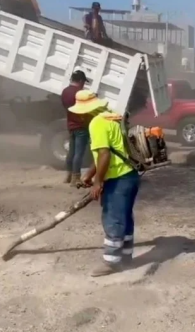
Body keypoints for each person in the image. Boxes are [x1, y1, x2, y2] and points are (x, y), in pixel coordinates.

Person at [68, 90, 140, 277]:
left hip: (117, 178)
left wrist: (98, 182)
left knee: (113, 218)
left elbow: (105, 154)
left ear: (84, 112)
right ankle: (125, 258)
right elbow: (111, 151)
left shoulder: (97, 123)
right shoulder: (112, 117)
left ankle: (111, 262)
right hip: (130, 175)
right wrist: (89, 175)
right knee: (125, 217)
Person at [61, 70, 91, 187]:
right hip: (81, 125)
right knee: (79, 153)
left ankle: (67, 176)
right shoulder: (80, 93)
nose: (84, 84)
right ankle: (76, 178)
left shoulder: (65, 92)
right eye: (83, 82)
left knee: (71, 151)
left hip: (71, 125)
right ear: (80, 81)